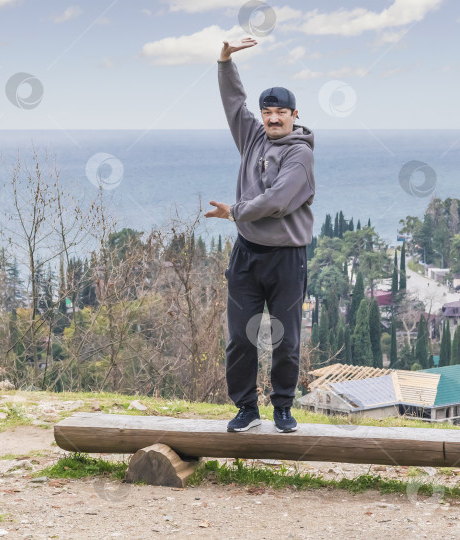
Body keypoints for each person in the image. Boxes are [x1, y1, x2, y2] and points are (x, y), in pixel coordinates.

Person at [204, 38, 315, 433]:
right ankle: (247, 409)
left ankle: (282, 408)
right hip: (247, 255)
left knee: (286, 340)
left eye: (279, 113)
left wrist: (234, 212)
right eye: (267, 112)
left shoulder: (300, 153)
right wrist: (224, 61)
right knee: (240, 338)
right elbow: (235, 104)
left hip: (287, 258)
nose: (271, 119)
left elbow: (277, 200)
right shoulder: (252, 138)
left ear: (293, 115)